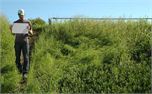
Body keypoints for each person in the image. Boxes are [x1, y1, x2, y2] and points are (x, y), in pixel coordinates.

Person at [11, 9, 33, 82]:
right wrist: (11, 30)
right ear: (18, 15)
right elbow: (13, 34)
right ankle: (19, 69)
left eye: (22, 15)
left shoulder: (28, 22)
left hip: (25, 42)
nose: (21, 17)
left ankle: (25, 73)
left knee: (26, 57)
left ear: (24, 15)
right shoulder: (15, 23)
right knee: (17, 57)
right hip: (17, 42)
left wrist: (29, 31)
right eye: (20, 15)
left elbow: (31, 33)